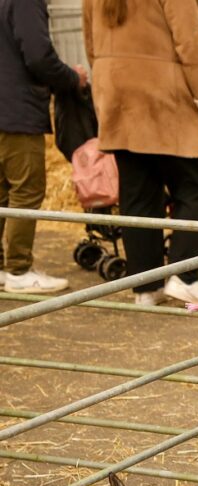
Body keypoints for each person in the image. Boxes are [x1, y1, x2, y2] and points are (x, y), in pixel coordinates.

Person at [82, 0, 198, 306]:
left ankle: (146, 288)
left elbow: (90, 43)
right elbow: (190, 40)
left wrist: (109, 85)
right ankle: (184, 276)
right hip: (166, 97)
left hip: (118, 95)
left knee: (138, 196)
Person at [0, 0, 87, 294]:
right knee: (26, 190)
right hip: (15, 109)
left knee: (2, 191)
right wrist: (72, 78)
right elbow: (38, 56)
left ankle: (3, 267)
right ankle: (18, 269)